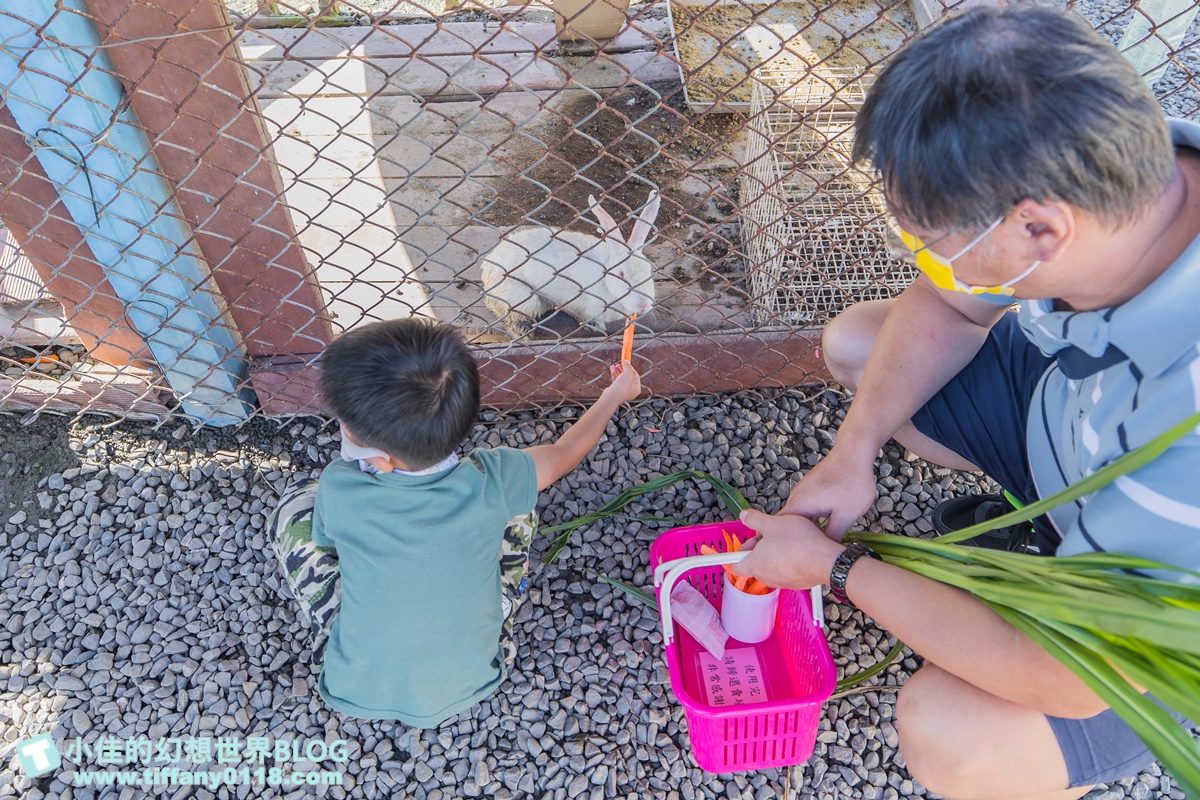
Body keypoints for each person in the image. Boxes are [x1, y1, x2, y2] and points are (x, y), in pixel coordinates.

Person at [732, 5, 1200, 799]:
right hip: (1074, 427)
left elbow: (1066, 679)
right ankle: (1052, 525)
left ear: (1040, 230)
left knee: (952, 731)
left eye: (931, 238)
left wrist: (835, 569)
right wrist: (852, 454)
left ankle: (1064, 770)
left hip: (1161, 621)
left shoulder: (1186, 432)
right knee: (862, 344)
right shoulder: (1130, 171)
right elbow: (947, 305)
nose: (923, 257)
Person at [267, 318, 641, 727]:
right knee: (519, 506)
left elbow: (326, 540)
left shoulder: (341, 486)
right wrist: (614, 394)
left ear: (380, 459)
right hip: (483, 669)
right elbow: (564, 452)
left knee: (298, 501)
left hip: (353, 681)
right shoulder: (496, 476)